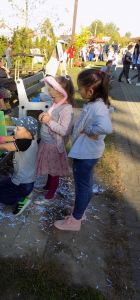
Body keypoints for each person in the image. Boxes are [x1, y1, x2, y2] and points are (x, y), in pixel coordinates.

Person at [54, 69, 112, 231]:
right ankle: (80, 212)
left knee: (82, 187)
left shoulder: (97, 107)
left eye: (80, 88)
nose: (79, 91)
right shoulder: (96, 104)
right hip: (88, 154)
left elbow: (106, 127)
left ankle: (75, 220)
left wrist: (90, 131)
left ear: (90, 90)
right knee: (86, 185)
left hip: (86, 155)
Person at [0, 116, 38, 216]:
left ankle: (21, 199)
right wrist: (0, 138)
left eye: (17, 128)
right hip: (21, 179)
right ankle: (24, 194)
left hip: (22, 184)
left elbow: (3, 147)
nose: (14, 129)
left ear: (28, 133)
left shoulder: (24, 143)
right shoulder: (30, 137)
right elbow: (13, 137)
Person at [35, 76, 74, 202]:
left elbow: (64, 130)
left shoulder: (67, 109)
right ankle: (48, 185)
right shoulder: (56, 103)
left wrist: (49, 121)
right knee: (49, 166)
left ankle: (51, 193)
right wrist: (44, 115)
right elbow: (51, 115)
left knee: (54, 169)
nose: (51, 98)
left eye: (53, 95)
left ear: (62, 93)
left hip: (54, 145)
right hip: (47, 142)